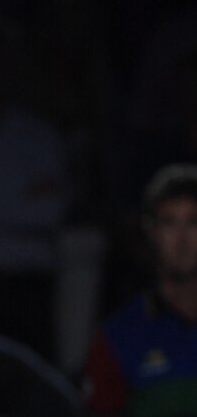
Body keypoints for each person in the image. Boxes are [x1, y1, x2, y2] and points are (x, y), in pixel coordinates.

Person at [84, 163, 197, 416]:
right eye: (169, 223)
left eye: (194, 222)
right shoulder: (117, 337)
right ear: (151, 231)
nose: (182, 239)